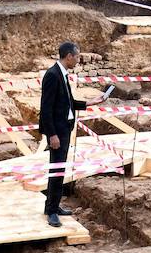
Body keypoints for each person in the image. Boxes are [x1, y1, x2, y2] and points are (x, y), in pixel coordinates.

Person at [38, 41, 104, 227]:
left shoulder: (63, 74)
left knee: (60, 169)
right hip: (57, 132)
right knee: (56, 170)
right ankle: (51, 211)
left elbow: (68, 102)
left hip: (65, 129)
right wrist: (52, 135)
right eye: (77, 56)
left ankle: (53, 205)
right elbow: (46, 108)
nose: (77, 60)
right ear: (69, 56)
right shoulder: (52, 75)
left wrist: (89, 103)